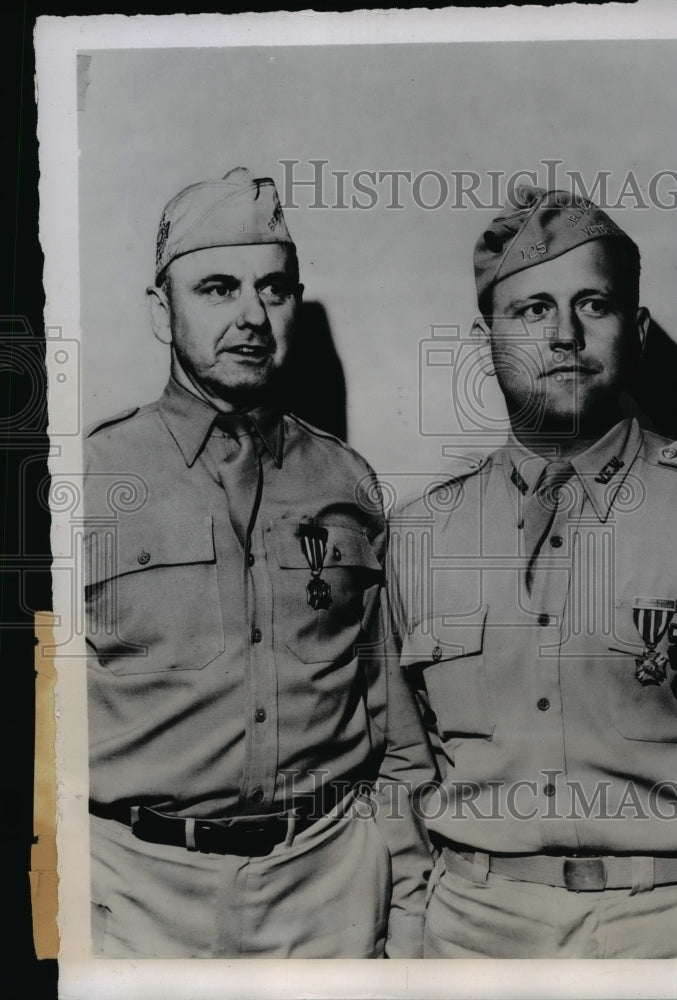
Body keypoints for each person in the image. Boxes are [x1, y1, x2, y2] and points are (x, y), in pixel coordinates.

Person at [84, 167, 434, 958]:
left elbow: (390, 722)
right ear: (159, 310)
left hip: (326, 892)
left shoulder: (346, 481)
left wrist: (404, 890)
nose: (251, 316)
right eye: (217, 288)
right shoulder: (85, 481)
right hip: (134, 899)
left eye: (273, 290)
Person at [390, 186, 677, 958]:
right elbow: (400, 762)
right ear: (488, 342)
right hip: (473, 933)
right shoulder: (418, 536)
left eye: (592, 305)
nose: (564, 334)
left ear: (633, 330)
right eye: (531, 310)